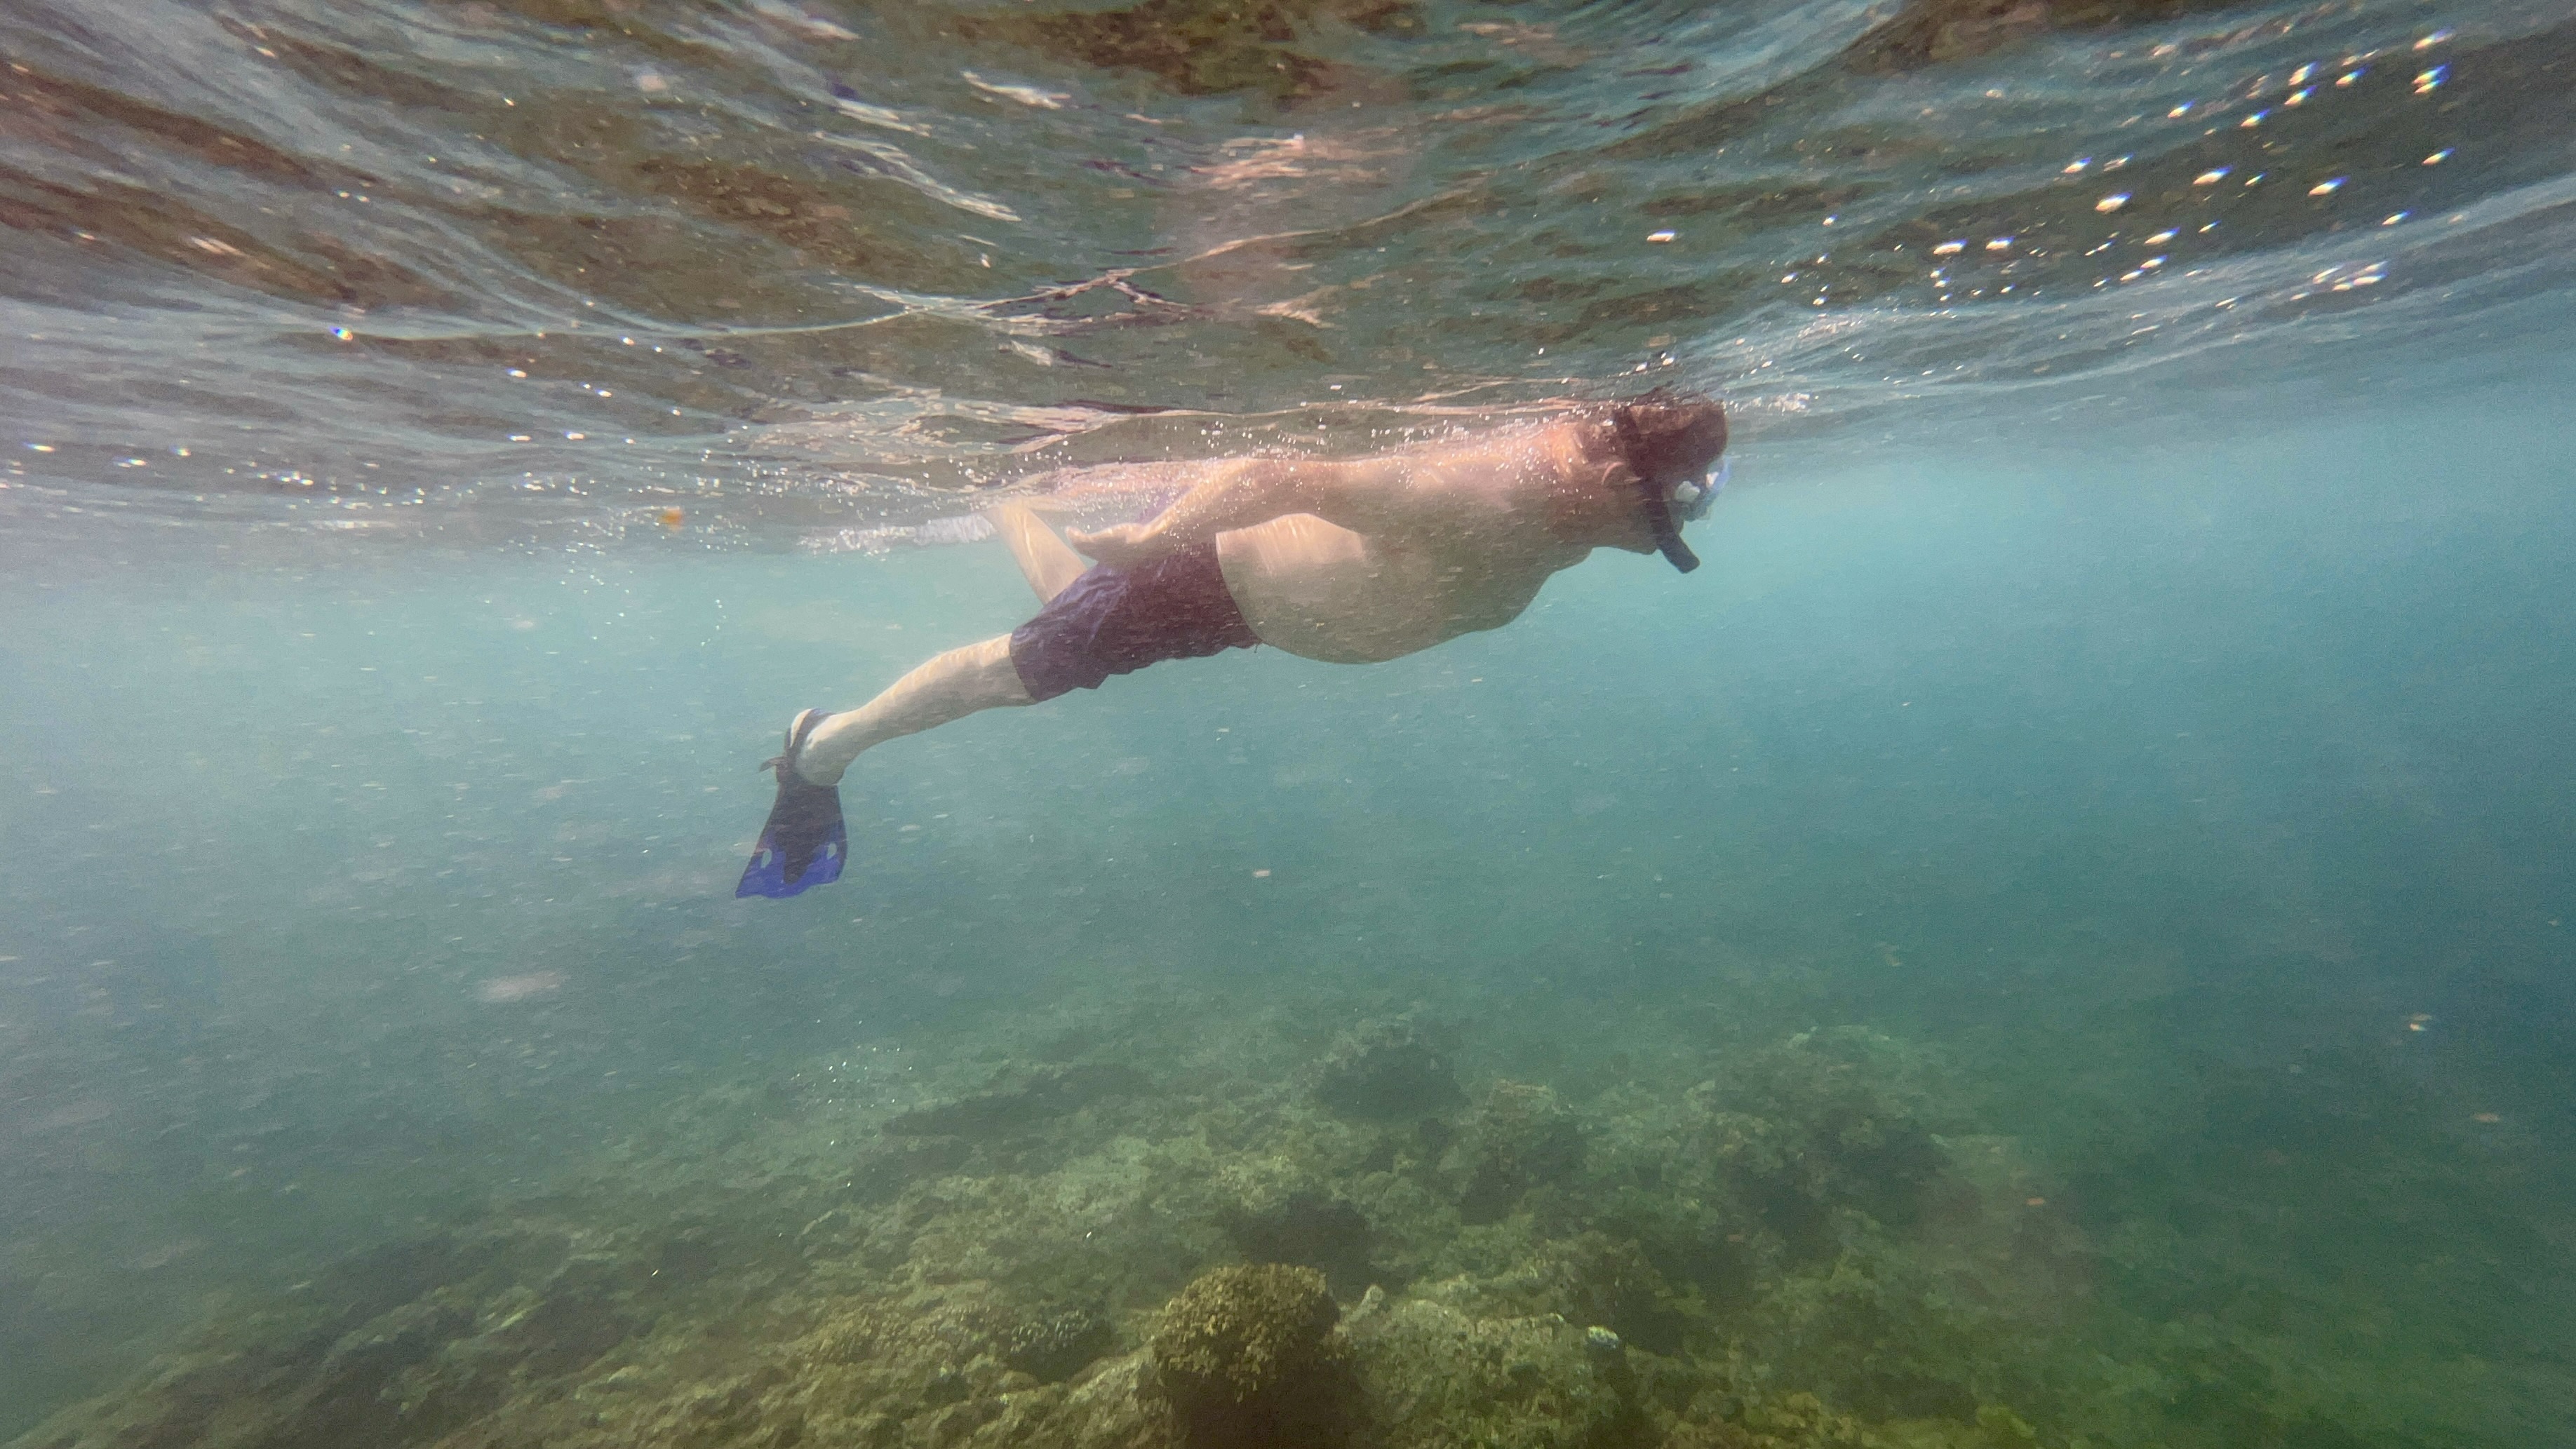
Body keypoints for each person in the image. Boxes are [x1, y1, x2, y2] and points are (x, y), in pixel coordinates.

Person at [737, 387, 1730, 898]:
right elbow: (1284, 472)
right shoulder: (1484, 495)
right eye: (1673, 501)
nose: (1676, 523)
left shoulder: (1571, 510)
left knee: (1071, 607)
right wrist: (1156, 538)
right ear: (1612, 475)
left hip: (1250, 612)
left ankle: (1006, 495)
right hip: (1210, 572)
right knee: (1024, 670)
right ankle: (825, 747)